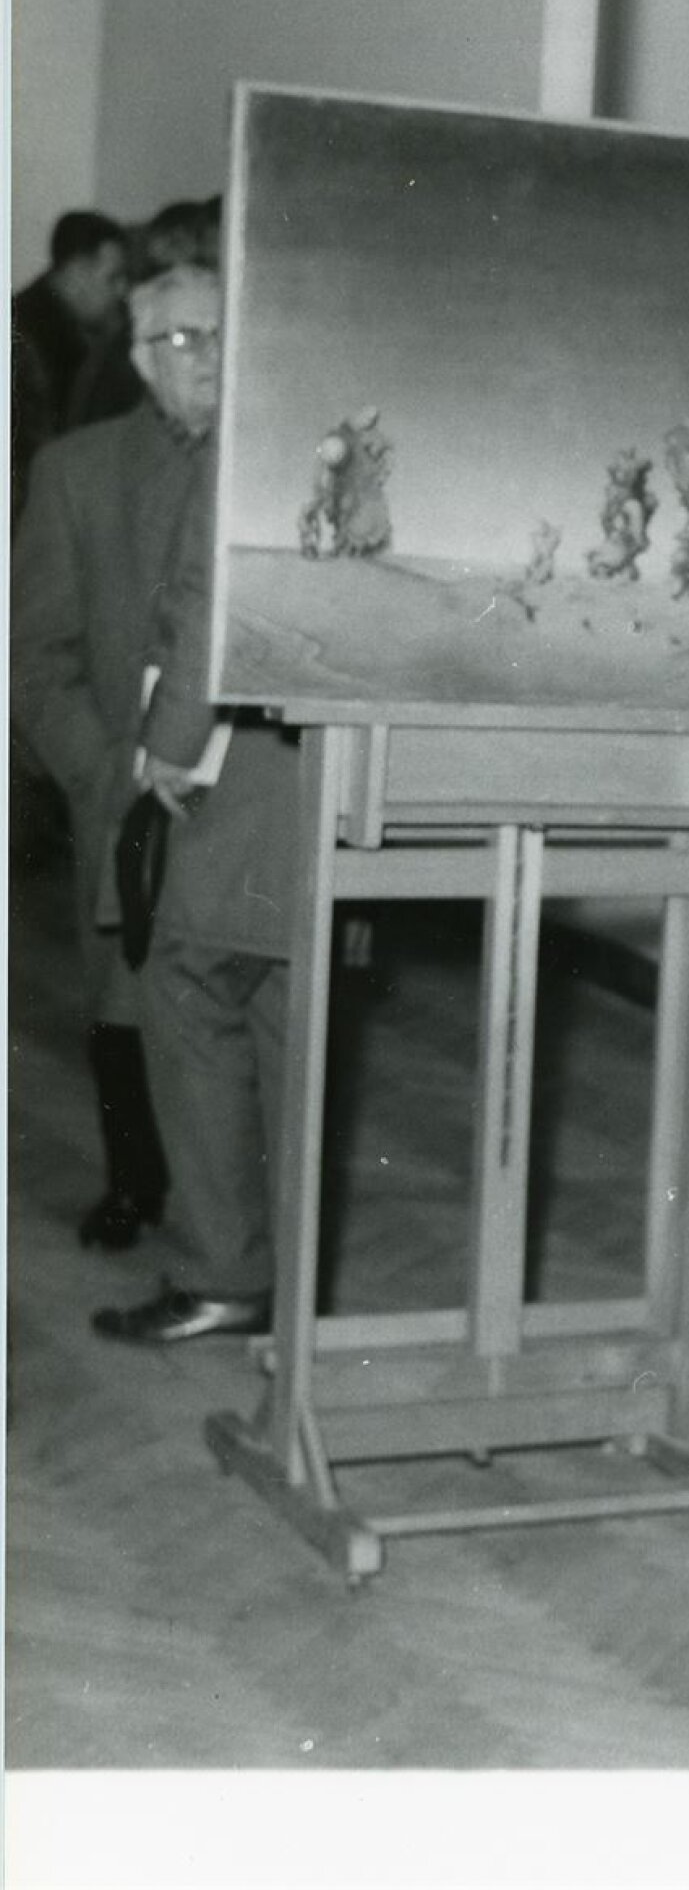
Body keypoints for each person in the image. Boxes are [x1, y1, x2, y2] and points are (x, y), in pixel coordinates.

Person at [91, 339, 298, 1348]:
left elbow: (209, 603)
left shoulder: (259, 418)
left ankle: (228, 1277)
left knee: (190, 980)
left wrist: (167, 746)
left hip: (243, 770)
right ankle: (296, 1286)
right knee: (289, 1008)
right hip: (331, 776)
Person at [10, 263, 221, 1249]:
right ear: (140, 358)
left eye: (223, 335)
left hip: (244, 792)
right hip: (123, 786)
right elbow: (33, 656)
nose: (210, 357)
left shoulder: (276, 471)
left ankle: (232, 1212)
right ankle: (135, 1183)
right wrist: (102, 771)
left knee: (231, 1010)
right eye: (185, 339)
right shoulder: (78, 471)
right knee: (124, 997)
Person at [11, 209, 140, 520]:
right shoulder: (32, 344)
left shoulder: (48, 328)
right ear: (77, 273)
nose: (123, 290)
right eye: (113, 277)